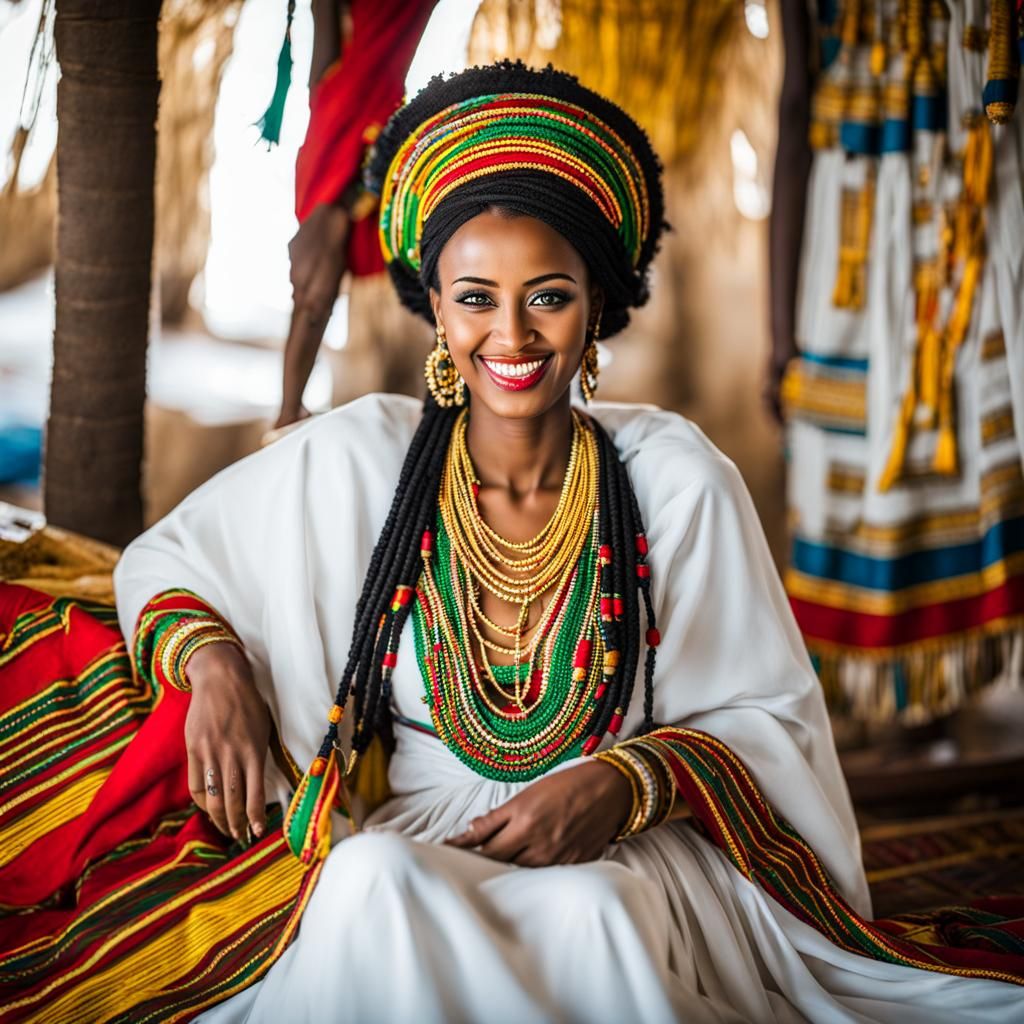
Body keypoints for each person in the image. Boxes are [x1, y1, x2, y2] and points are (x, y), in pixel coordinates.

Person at [2, 62, 1023, 1023]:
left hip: (623, 849)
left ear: (597, 310)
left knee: (594, 917)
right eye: (475, 299)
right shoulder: (363, 459)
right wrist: (216, 664)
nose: (512, 336)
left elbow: (770, 724)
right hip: (418, 839)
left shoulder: (675, 479)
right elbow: (164, 561)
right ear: (436, 310)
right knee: (368, 881)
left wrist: (624, 783)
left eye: (548, 295)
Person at [770, 0, 1024, 727]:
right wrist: (778, 336)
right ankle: (919, 715)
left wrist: (778, 338)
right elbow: (793, 110)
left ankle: (927, 719)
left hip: (962, 224)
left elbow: (794, 109)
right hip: (873, 246)